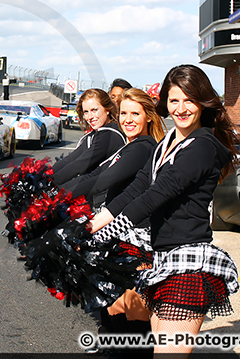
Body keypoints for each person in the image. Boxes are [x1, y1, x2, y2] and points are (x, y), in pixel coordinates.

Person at [87, 64, 239, 357]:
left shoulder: (203, 145)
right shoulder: (167, 143)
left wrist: (102, 236)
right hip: (160, 259)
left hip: (187, 265)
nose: (181, 108)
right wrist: (91, 226)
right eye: (174, 100)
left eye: (189, 100)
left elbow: (155, 196)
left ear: (203, 102)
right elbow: (135, 190)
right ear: (165, 104)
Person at [62, 88, 165, 344]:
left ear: (149, 116)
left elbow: (102, 180)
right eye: (124, 113)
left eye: (135, 114)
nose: (128, 119)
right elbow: (92, 177)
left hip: (136, 239)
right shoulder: (131, 145)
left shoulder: (143, 147)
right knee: (113, 310)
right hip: (117, 231)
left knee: (132, 318)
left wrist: (56, 197)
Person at [52, 89, 126, 185]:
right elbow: (70, 159)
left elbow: (80, 164)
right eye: (86, 112)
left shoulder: (110, 135)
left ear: (107, 109)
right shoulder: (96, 134)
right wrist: (43, 174)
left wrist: (49, 182)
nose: (90, 117)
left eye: (94, 110)